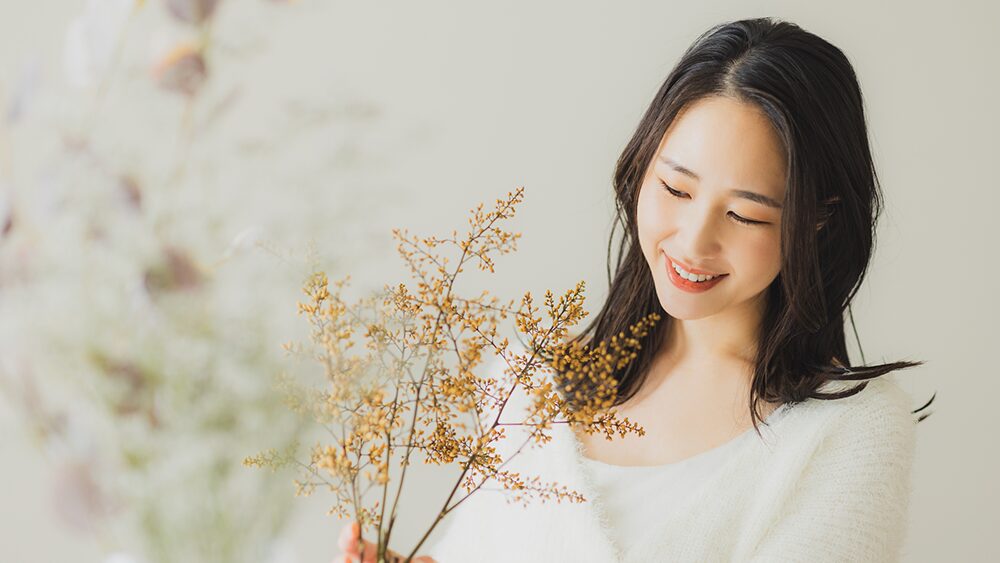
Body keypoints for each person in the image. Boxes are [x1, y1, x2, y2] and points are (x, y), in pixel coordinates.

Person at [333, 16, 933, 563]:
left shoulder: (846, 434)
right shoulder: (528, 396)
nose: (694, 242)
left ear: (818, 219)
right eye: (676, 189)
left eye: (746, 215)